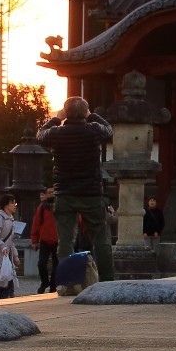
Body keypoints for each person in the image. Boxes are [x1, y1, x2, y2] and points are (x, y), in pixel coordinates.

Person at [38, 97, 115, 288]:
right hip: (91, 193)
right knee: (100, 238)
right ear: (85, 113)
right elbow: (109, 130)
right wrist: (92, 116)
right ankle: (106, 282)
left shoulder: (57, 133)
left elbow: (40, 135)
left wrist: (56, 119)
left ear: (66, 112)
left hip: (65, 192)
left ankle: (68, 282)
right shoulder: (94, 130)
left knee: (65, 241)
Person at [28, 187, 60, 292]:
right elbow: (36, 224)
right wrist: (34, 240)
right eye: (49, 192)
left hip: (58, 240)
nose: (51, 194)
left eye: (53, 192)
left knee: (57, 265)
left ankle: (53, 285)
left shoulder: (60, 207)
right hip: (45, 240)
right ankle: (45, 282)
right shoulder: (42, 208)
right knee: (41, 263)